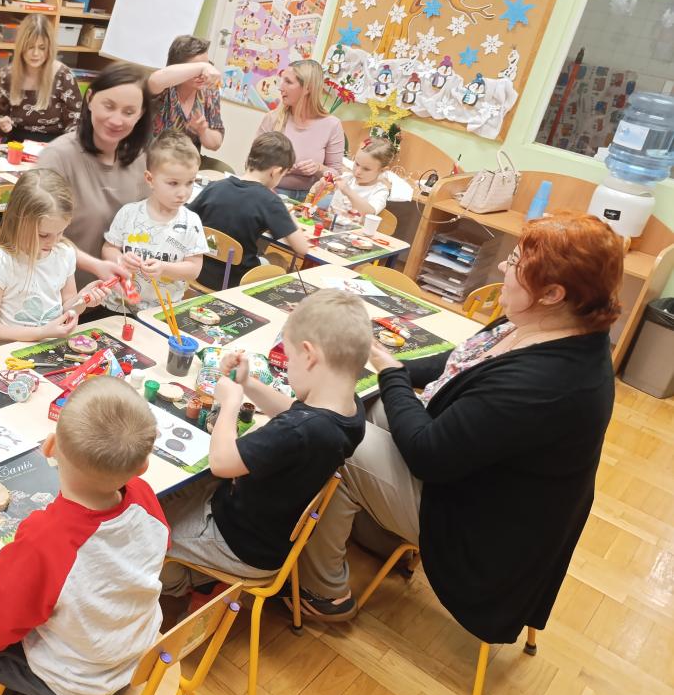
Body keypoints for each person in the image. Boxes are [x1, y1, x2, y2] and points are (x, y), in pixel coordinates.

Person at [298, 212, 620, 638]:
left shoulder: (545, 383)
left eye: (515, 262)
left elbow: (428, 455)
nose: (502, 266)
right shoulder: (543, 324)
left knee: (336, 436)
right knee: (361, 406)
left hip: (475, 526)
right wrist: (384, 362)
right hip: (471, 477)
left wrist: (389, 370)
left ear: (552, 293)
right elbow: (455, 363)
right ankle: (378, 534)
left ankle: (324, 593)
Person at [0, 376, 167, 695]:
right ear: (142, 467)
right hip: (142, 654)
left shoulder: (45, 540)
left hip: (78, 685)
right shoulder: (145, 497)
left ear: (50, 447)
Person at [160, 289, 370, 615]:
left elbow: (221, 462)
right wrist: (248, 383)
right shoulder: (348, 410)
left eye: (289, 360)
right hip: (264, 535)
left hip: (237, 543)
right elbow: (292, 410)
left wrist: (230, 403)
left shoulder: (300, 430)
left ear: (309, 356)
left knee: (145, 536)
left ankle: (192, 583)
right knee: (165, 500)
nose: (287, 369)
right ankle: (202, 574)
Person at [36, 62, 152, 290]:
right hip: (58, 292)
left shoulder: (140, 160)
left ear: (141, 114)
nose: (116, 120)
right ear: (90, 99)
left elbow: (145, 224)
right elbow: (35, 231)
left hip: (117, 294)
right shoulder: (58, 157)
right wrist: (96, 266)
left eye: (129, 112)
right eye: (109, 106)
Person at [0, 169, 109, 345]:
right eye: (43, 235)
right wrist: (41, 332)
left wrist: (82, 299)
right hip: (6, 353)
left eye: (60, 232)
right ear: (17, 222)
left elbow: (67, 307)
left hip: (47, 347)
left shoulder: (64, 253)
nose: (53, 241)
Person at [189, 130, 309, 290]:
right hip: (236, 282)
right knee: (277, 259)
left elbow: (187, 218)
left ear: (248, 160)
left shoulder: (215, 186)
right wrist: (287, 213)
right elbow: (302, 249)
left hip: (197, 271)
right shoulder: (271, 201)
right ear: (275, 172)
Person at [102, 130, 207, 311]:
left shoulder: (192, 222)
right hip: (119, 307)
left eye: (190, 182)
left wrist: (164, 268)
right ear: (150, 179)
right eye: (173, 183)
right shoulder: (129, 213)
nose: (183, 193)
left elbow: (194, 269)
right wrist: (120, 259)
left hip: (163, 313)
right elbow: (109, 248)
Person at [256, 60, 344, 200]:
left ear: (307, 88)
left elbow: (336, 174)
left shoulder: (332, 125)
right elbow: (253, 164)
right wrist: (279, 170)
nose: (280, 87)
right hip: (273, 192)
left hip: (312, 198)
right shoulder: (272, 118)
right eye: (282, 80)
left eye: (288, 82)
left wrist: (318, 168)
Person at [0, 14, 81, 142]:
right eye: (30, 47)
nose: (35, 53)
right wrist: (1, 124)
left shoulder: (64, 76)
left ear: (49, 49)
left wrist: (63, 147)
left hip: (53, 144)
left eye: (42, 48)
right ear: (21, 47)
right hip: (15, 143)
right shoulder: (7, 75)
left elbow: (76, 123)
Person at [147, 35, 225, 150]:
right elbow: (154, 81)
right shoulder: (165, 87)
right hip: (154, 156)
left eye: (207, 67)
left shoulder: (209, 93)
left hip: (186, 158)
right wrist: (202, 66)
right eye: (196, 68)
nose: (203, 75)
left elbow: (216, 144)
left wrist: (203, 131)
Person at [326, 138, 397, 217]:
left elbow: (370, 213)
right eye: (357, 164)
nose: (358, 171)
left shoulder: (380, 191)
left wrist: (348, 191)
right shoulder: (346, 178)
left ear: (382, 170)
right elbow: (324, 199)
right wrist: (323, 185)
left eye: (366, 169)